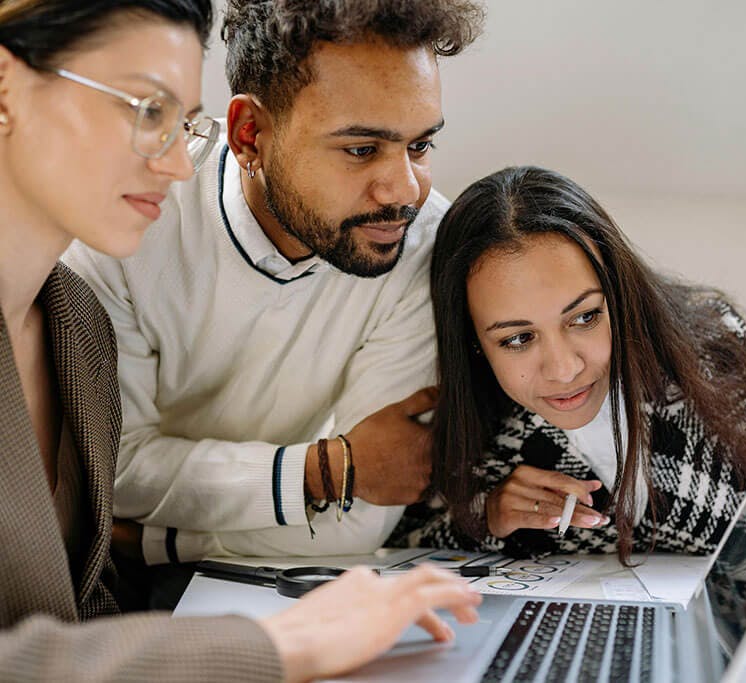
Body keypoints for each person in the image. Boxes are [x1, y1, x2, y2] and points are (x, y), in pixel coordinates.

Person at [0, 1, 482, 679]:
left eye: (421, 144)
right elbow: (117, 486)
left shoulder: (68, 319)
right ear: (250, 134)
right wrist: (323, 476)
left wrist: (153, 540)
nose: (403, 187)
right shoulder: (111, 256)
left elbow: (367, 512)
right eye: (144, 109)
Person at [391, 165, 746, 565]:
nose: (563, 369)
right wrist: (488, 519)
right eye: (517, 339)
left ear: (619, 293)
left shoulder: (716, 351)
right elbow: (400, 549)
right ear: (474, 342)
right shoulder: (470, 434)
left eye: (584, 317)